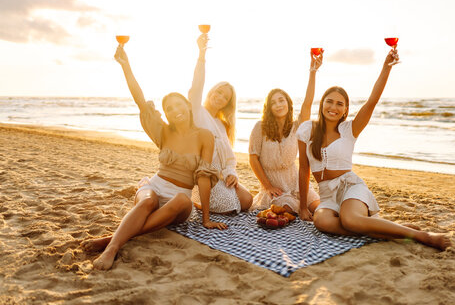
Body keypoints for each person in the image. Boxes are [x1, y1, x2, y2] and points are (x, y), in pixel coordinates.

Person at [81, 43, 227, 271]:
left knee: (182, 199)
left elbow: (204, 177)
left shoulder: (204, 136)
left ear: (188, 107)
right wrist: (126, 67)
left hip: (179, 201)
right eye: (169, 108)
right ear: (165, 113)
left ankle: (112, 238)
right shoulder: (163, 132)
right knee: (148, 200)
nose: (175, 110)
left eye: (179, 105)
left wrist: (206, 218)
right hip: (154, 187)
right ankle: (112, 248)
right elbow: (139, 99)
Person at [296, 48, 451, 250]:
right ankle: (390, 231)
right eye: (329, 101)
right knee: (322, 222)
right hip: (326, 196)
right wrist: (301, 207)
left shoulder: (350, 129)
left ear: (345, 110)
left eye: (339, 104)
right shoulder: (307, 130)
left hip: (350, 187)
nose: (333, 107)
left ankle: (419, 235)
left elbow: (372, 100)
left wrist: (386, 67)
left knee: (349, 220)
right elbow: (303, 169)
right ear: (322, 104)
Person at [249, 50, 322, 214]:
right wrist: (267, 186)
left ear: (288, 103)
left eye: (281, 100)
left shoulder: (297, 126)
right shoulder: (260, 127)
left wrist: (313, 72)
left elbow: (308, 104)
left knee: (319, 209)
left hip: (296, 183)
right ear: (269, 108)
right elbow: (253, 158)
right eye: (273, 102)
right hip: (275, 187)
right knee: (286, 209)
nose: (278, 105)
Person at [188, 34, 253, 213]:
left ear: (227, 103)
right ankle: (198, 203)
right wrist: (201, 56)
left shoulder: (223, 125)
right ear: (210, 92)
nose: (220, 98)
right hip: (202, 175)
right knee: (228, 206)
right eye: (218, 92)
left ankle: (208, 202)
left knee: (248, 200)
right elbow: (196, 84)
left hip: (221, 176)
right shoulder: (197, 111)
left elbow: (229, 159)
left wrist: (232, 174)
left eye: (225, 97)